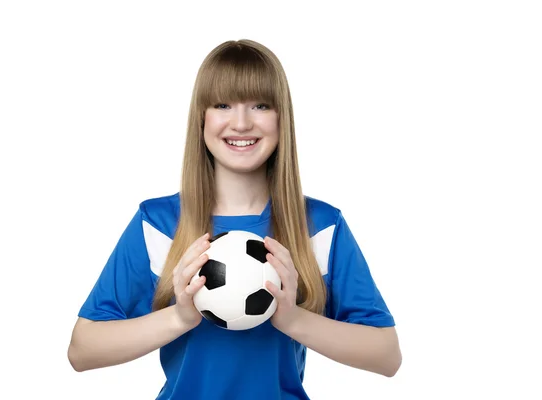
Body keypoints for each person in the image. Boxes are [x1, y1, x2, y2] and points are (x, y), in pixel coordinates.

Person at [67, 39, 402, 399]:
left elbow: (386, 355)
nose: (241, 123)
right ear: (202, 118)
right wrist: (179, 318)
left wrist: (293, 320)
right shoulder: (159, 225)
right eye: (223, 104)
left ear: (281, 118)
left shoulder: (319, 227)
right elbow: (83, 350)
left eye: (260, 105)